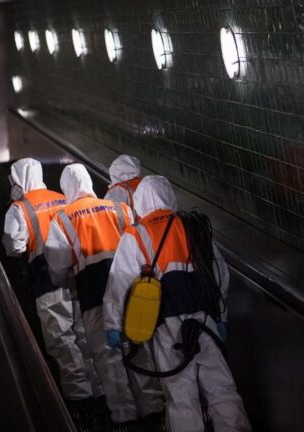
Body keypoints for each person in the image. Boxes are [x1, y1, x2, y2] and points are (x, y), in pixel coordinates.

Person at [104, 175, 251, 432]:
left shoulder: (137, 234)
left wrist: (113, 324)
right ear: (169, 196)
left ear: (141, 202)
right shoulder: (194, 227)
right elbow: (219, 275)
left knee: (181, 395)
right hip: (205, 321)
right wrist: (221, 317)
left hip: (166, 326)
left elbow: (120, 283)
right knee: (221, 388)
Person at [44, 163, 164, 424]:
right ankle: (154, 410)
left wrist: (70, 283)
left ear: (66, 188)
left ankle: (125, 417)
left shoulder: (63, 219)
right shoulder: (118, 208)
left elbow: (57, 268)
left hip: (93, 295)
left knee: (108, 360)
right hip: (129, 293)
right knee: (137, 349)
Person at [2, 158, 101, 401]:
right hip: (76, 277)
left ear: (19, 179)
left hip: (46, 282)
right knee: (84, 334)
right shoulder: (62, 197)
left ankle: (81, 397)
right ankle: (101, 388)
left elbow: (13, 246)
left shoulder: (19, 208)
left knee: (61, 341)